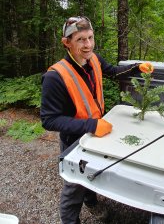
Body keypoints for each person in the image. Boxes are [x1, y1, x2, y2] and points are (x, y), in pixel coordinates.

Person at [40, 16, 154, 224]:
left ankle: (91, 201)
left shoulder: (93, 59)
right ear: (67, 43)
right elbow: (49, 120)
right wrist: (91, 125)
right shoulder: (55, 77)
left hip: (96, 132)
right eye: (81, 40)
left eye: (90, 38)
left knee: (92, 173)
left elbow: (112, 72)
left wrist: (138, 68)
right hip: (74, 139)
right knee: (74, 185)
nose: (88, 44)